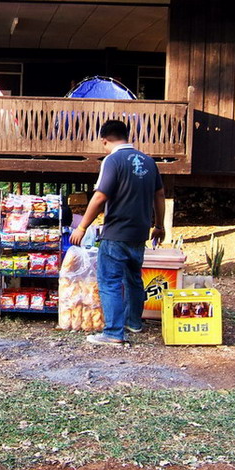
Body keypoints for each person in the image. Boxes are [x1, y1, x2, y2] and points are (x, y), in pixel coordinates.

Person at [70, 120, 165, 345]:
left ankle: (113, 332)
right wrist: (159, 225)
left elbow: (101, 196)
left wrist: (82, 226)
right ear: (126, 135)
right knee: (133, 278)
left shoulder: (112, 160)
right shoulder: (149, 161)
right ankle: (134, 322)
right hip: (140, 232)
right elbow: (159, 196)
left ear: (104, 140)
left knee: (110, 280)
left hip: (116, 232)